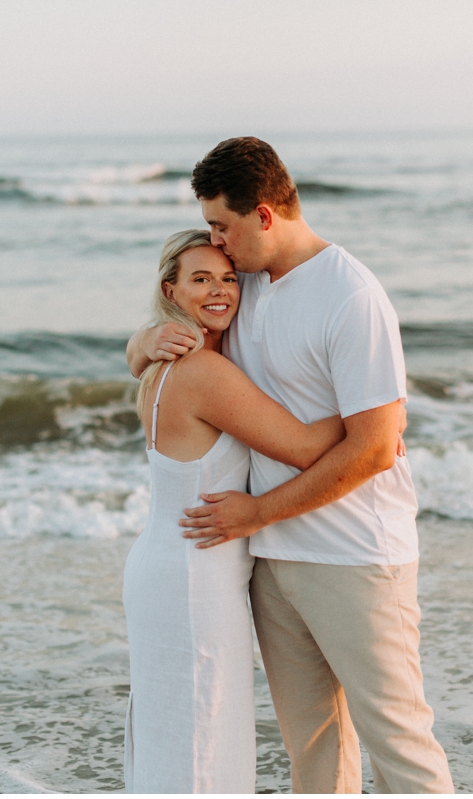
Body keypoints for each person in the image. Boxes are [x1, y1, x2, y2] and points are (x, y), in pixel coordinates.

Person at [127, 138, 455, 794]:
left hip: (354, 556)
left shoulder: (350, 296)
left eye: (223, 225)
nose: (216, 243)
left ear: (265, 216)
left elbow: (373, 448)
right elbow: (186, 349)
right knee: (314, 754)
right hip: (272, 562)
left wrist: (257, 512)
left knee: (400, 748)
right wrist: (141, 341)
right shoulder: (241, 281)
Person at [122, 228, 350, 793]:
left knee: (178, 734)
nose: (220, 290)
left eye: (228, 278)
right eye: (201, 279)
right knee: (200, 738)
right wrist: (375, 415)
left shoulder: (170, 361)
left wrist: (142, 341)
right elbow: (300, 446)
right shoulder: (201, 372)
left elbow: (137, 355)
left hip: (174, 564)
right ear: (170, 292)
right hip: (193, 577)